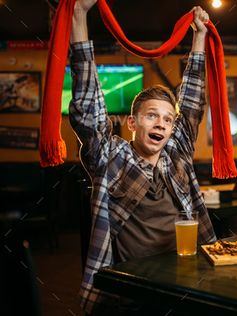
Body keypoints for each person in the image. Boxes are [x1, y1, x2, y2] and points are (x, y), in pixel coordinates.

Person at [69, 0, 216, 314]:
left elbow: (190, 104)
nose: (161, 123)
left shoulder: (176, 155)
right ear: (132, 124)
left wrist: (199, 36)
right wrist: (79, 15)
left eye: (167, 119)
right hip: (134, 291)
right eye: (152, 116)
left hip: (187, 282)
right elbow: (88, 109)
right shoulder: (112, 158)